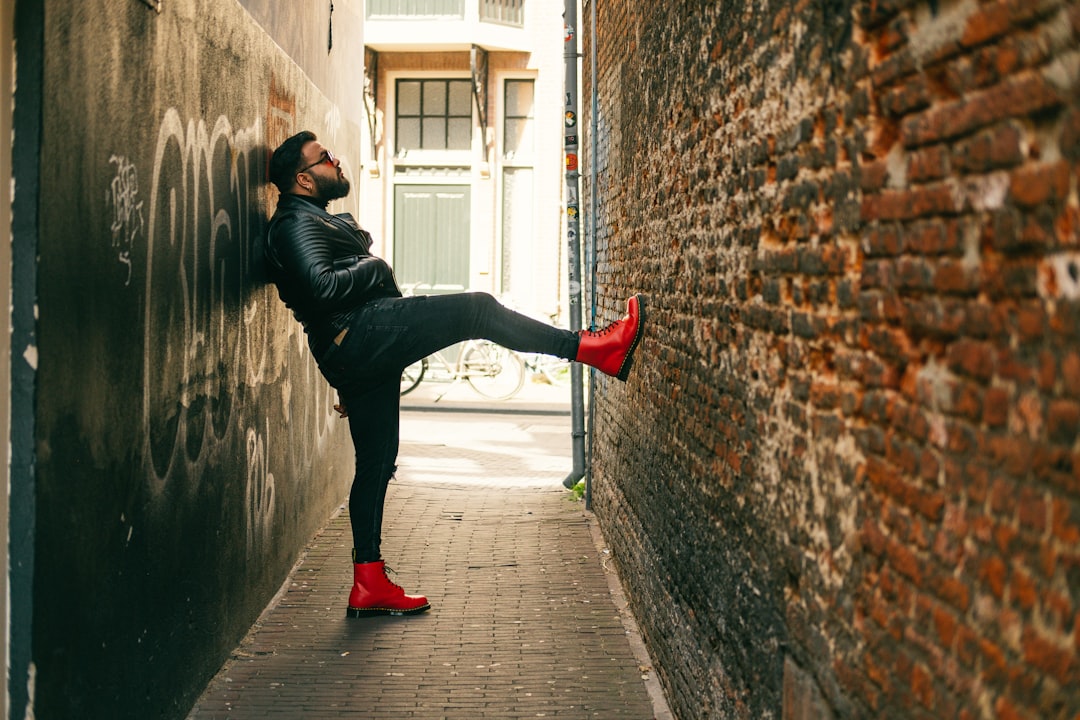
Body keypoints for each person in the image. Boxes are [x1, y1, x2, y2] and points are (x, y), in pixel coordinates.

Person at [264, 130, 645, 618]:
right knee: (478, 309)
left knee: (377, 464)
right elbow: (319, 290)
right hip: (356, 338)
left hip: (358, 347)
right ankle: (594, 349)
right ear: (302, 178)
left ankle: (368, 581)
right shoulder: (293, 224)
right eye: (324, 159)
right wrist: (376, 265)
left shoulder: (312, 217)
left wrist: (354, 365)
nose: (335, 162)